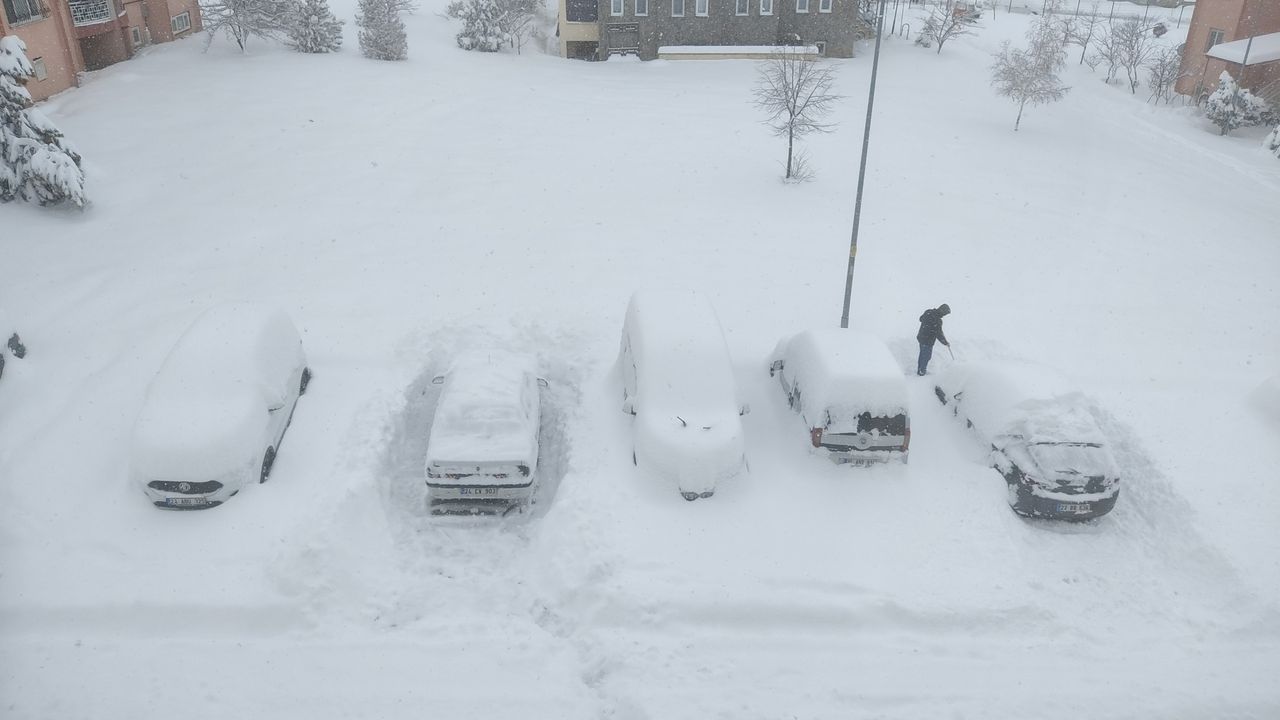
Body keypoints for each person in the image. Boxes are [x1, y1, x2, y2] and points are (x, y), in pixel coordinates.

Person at [916, 304, 950, 376]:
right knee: (926, 356)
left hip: (921, 337)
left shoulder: (928, 311)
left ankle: (920, 370)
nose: (944, 315)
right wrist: (945, 342)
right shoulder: (937, 320)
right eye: (945, 313)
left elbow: (920, 319)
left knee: (922, 355)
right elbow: (939, 334)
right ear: (942, 311)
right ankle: (921, 372)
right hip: (928, 340)